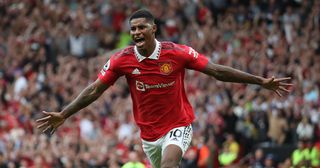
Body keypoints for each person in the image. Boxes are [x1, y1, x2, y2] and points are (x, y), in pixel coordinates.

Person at [36, 9, 292, 168]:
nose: (136, 32)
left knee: (171, 163)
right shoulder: (121, 60)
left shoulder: (176, 53)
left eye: (141, 27)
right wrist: (64, 114)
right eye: (133, 29)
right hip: (148, 136)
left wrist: (260, 81)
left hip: (178, 125)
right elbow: (94, 90)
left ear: (153, 29)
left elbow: (217, 71)